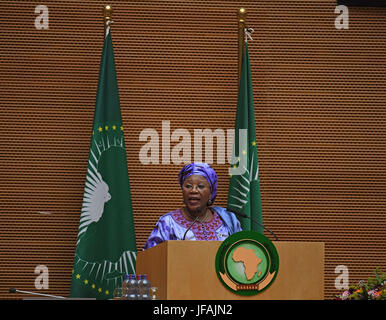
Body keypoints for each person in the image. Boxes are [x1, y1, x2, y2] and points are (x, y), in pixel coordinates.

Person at [143, 162, 242, 250]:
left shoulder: (228, 220)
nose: (193, 190)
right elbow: (150, 261)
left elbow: (240, 253)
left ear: (211, 193)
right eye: (188, 186)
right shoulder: (168, 223)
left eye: (200, 186)